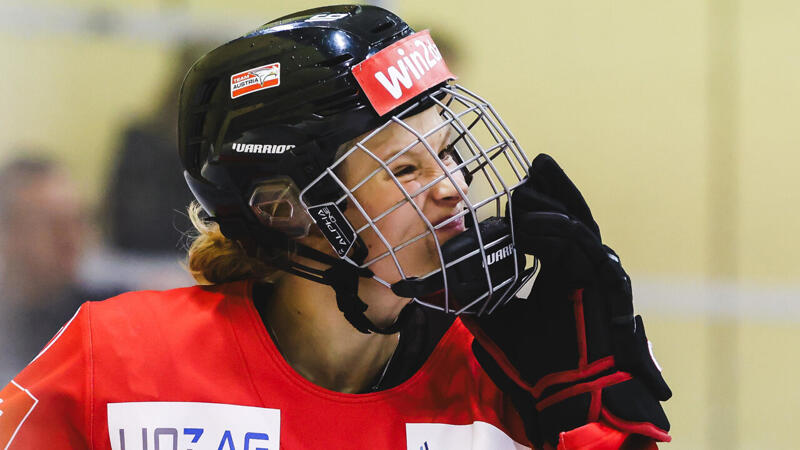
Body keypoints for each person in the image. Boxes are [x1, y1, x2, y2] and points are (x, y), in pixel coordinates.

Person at [0, 6, 670, 449]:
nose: (453, 188)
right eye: (406, 168)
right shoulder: (118, 359)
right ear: (284, 209)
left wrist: (596, 423)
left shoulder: (509, 380)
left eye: (451, 154)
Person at [0, 156, 121, 384]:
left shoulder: (106, 313)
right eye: (51, 224)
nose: (70, 238)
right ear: (7, 232)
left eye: (78, 220)